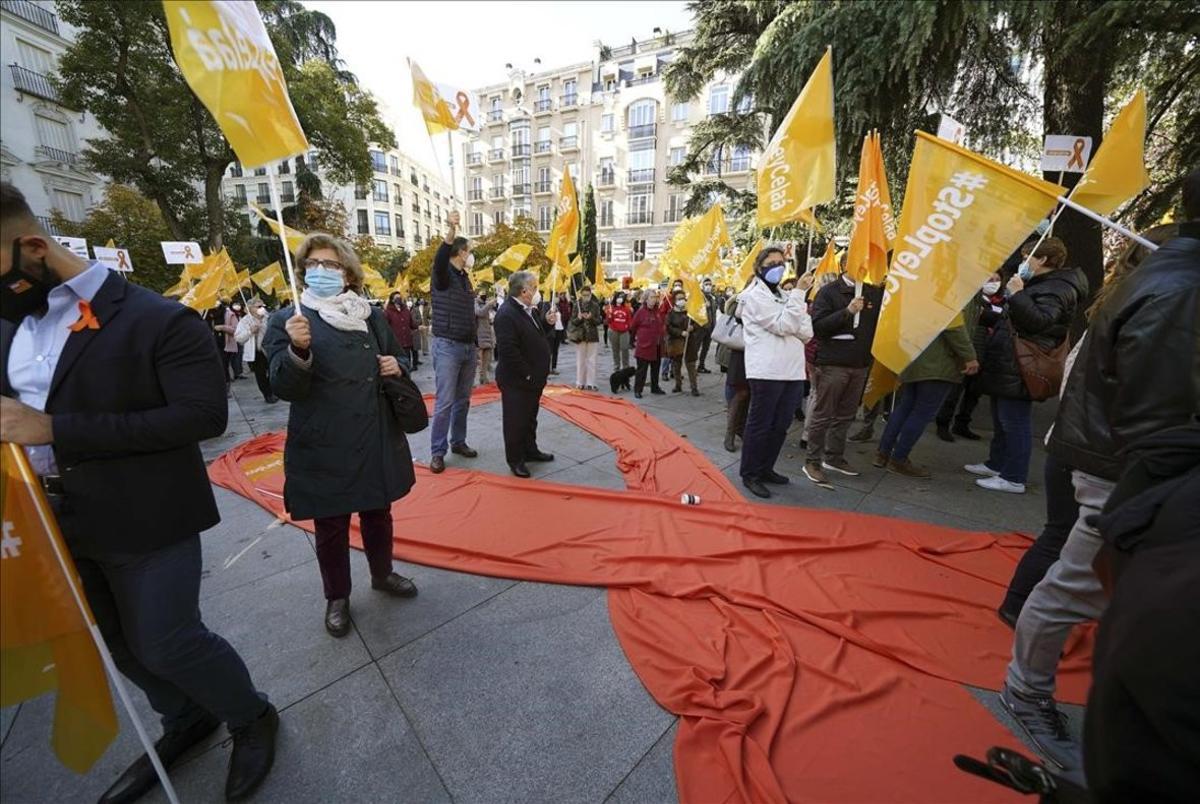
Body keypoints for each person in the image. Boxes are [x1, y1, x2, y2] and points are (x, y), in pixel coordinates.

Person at [0, 182, 277, 803]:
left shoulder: (158, 318)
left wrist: (54, 430)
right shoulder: (14, 322)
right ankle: (184, 719)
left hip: (147, 517)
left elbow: (202, 418)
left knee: (168, 639)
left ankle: (250, 713)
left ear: (33, 248)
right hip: (49, 521)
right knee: (114, 643)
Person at [999, 171, 1200, 776]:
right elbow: (1157, 416)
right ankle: (1027, 689)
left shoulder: (1170, 282)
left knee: (1080, 571)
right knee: (1075, 581)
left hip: (1122, 464)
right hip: (1124, 470)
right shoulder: (1177, 291)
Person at [263, 233, 418, 638]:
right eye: (312, 264)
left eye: (330, 265)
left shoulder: (369, 315)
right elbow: (283, 386)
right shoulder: (289, 320)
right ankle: (337, 596)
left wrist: (394, 365)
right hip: (323, 439)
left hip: (373, 430)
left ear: (347, 273)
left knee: (377, 512)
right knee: (331, 524)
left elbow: (400, 356)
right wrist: (298, 351)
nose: (321, 271)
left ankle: (382, 574)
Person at [969, 237, 1087, 493]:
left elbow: (1040, 321)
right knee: (1002, 418)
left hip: (1024, 364)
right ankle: (997, 463)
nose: (1024, 262)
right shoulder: (1043, 283)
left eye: (1027, 257)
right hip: (1011, 360)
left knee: (1015, 420)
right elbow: (1017, 319)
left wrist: (1018, 294)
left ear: (1043, 259)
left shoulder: (1058, 288)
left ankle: (1013, 477)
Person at [737, 246, 814, 499]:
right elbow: (784, 325)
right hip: (767, 371)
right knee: (760, 425)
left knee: (780, 425)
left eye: (781, 262)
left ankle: (766, 468)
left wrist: (795, 305)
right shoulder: (754, 296)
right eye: (771, 263)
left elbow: (806, 331)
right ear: (759, 268)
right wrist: (800, 294)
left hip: (792, 371)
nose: (778, 267)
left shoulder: (785, 295)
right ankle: (751, 473)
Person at [874, 307, 979, 478]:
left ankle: (883, 453)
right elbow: (954, 327)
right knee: (921, 413)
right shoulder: (952, 293)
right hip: (938, 364)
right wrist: (970, 356)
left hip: (916, 357)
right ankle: (899, 459)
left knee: (905, 407)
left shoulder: (925, 291)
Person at [803, 273, 882, 483]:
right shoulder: (828, 292)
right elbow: (818, 327)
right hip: (833, 364)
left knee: (846, 415)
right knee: (823, 414)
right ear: (848, 264)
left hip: (860, 364)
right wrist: (847, 312)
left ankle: (834, 457)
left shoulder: (872, 292)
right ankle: (812, 461)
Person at [428, 210, 479, 474]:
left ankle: (458, 441)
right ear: (460, 253)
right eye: (469, 251)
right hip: (447, 346)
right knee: (445, 401)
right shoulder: (443, 273)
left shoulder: (464, 279)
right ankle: (437, 452)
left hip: (468, 347)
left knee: (463, 400)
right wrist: (451, 228)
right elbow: (441, 255)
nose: (471, 255)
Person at [493, 270, 557, 477]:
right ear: (524, 291)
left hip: (533, 379)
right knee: (515, 421)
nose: (537, 291)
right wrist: (528, 375)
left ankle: (530, 450)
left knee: (530, 418)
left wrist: (547, 323)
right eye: (535, 288)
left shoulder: (528, 310)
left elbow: (537, 337)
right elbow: (508, 351)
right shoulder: (507, 313)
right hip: (518, 380)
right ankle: (515, 460)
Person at [936, 271, 1005, 442]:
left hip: (989, 353)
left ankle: (962, 423)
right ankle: (943, 423)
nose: (994, 283)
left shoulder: (1002, 301)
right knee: (955, 391)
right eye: (990, 279)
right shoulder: (972, 299)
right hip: (971, 350)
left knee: (974, 393)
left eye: (997, 280)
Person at [235, 296, 278, 403]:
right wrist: (250, 331)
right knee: (261, 374)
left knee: (274, 371)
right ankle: (267, 394)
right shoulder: (245, 321)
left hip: (271, 349)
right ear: (250, 308)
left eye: (263, 306)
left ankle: (275, 391)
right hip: (257, 352)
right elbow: (239, 338)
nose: (261, 308)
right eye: (258, 306)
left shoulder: (269, 318)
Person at [722, 290, 750, 452]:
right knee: (740, 394)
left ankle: (741, 429)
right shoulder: (740, 301)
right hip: (741, 353)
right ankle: (730, 433)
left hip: (758, 353)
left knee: (750, 395)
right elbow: (731, 315)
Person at [629, 288, 666, 398]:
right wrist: (632, 341)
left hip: (657, 345)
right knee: (642, 370)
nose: (653, 300)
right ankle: (638, 389)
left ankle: (655, 387)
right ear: (646, 299)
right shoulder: (641, 312)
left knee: (655, 368)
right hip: (644, 346)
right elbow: (633, 327)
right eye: (651, 297)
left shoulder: (657, 311)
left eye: (655, 297)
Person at [568, 285, 603, 390]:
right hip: (580, 335)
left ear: (590, 295)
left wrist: (591, 318)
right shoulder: (576, 305)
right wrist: (579, 318)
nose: (585, 297)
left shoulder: (595, 305)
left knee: (592, 360)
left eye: (587, 295)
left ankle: (591, 383)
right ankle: (580, 382)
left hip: (592, 335)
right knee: (580, 359)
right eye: (583, 295)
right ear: (581, 295)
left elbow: (599, 321)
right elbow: (572, 321)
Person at [384, 291, 418, 373]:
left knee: (407, 363)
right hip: (396, 343)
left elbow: (412, 324)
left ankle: (408, 380)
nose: (399, 299)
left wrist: (418, 326)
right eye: (396, 298)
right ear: (392, 300)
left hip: (407, 342)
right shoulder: (388, 312)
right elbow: (385, 327)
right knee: (399, 365)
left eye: (400, 297)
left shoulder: (406, 311)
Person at [664, 291, 691, 393]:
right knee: (676, 365)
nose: (682, 301)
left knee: (690, 364)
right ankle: (678, 384)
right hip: (675, 341)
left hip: (688, 341)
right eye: (679, 299)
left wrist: (691, 328)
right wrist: (680, 332)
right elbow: (668, 327)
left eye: (683, 298)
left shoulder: (688, 312)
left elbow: (695, 323)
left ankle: (694, 386)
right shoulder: (671, 313)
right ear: (675, 301)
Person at [475, 290, 497, 384]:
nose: (484, 296)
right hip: (479, 335)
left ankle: (484, 377)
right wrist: (489, 304)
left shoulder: (486, 303)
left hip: (487, 334)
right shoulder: (475, 303)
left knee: (486, 359)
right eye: (482, 295)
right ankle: (478, 377)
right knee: (479, 359)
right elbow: (480, 312)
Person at [607, 290, 633, 372]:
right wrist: (609, 314)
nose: (620, 299)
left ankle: (626, 367)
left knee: (625, 349)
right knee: (615, 350)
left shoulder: (626, 309)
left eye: (622, 297)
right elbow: (608, 321)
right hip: (613, 331)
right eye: (619, 297)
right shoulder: (611, 308)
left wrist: (628, 326)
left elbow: (629, 320)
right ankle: (616, 367)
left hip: (624, 331)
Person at [696, 278, 718, 373]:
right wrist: (704, 306)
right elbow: (695, 312)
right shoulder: (699, 297)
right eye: (706, 284)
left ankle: (701, 365)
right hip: (700, 328)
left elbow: (713, 313)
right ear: (702, 285)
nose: (708, 286)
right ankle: (693, 367)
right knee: (696, 348)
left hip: (710, 328)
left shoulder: (712, 298)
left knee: (705, 348)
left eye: (709, 284)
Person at [407, 296, 423, 369]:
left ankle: (415, 364)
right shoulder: (404, 310)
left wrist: (412, 322)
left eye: (411, 300)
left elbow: (420, 320)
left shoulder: (416, 310)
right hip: (407, 333)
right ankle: (408, 365)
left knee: (414, 350)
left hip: (415, 332)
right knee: (407, 351)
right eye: (408, 300)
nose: (409, 302)